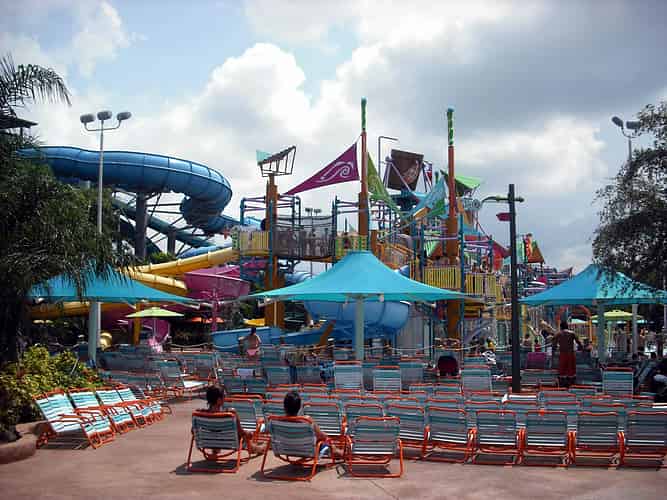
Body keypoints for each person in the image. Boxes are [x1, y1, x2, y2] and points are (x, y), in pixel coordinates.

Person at [198, 386, 266, 454]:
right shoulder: (230, 414)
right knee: (246, 434)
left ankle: (215, 449)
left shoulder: (200, 414)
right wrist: (249, 433)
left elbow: (195, 431)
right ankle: (253, 448)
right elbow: (241, 432)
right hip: (229, 442)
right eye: (224, 396)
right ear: (219, 400)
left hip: (208, 442)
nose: (225, 398)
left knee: (215, 432)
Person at [283, 391, 344, 458]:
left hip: (287, 448)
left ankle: (337, 451)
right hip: (306, 449)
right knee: (324, 440)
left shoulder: (278, 420)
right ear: (299, 406)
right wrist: (326, 437)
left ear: (284, 406)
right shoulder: (306, 420)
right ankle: (339, 452)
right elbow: (321, 435)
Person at [552, 320, 582, 388]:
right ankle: (571, 384)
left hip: (563, 354)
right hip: (571, 354)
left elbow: (554, 344)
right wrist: (582, 349)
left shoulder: (558, 334)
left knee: (562, 370)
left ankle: (562, 384)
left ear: (561, 327)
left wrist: (554, 352)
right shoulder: (572, 333)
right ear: (567, 326)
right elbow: (579, 342)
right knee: (571, 371)